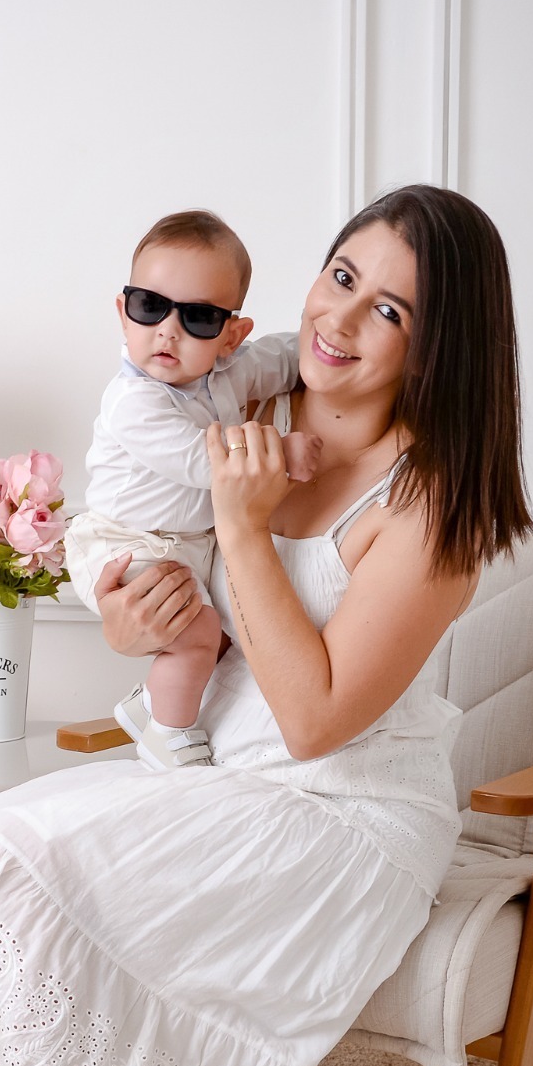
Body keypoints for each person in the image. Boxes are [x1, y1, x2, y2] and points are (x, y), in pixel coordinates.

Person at [0, 184, 533, 1066]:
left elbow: (317, 722)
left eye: (389, 310)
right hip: (209, 762)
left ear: (436, 346)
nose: (341, 321)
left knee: (39, 867)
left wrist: (243, 524)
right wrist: (136, 618)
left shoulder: (432, 502)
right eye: (341, 277)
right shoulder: (239, 392)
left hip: (342, 806)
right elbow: (155, 572)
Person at [65, 210, 317, 771]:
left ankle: (151, 704)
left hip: (183, 543)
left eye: (199, 317)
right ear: (123, 313)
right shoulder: (134, 402)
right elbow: (201, 461)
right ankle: (169, 738)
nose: (168, 331)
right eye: (150, 307)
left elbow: (282, 357)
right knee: (197, 630)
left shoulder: (229, 370)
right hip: (123, 543)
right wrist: (281, 449)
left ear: (232, 334)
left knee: (225, 634)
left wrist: (321, 348)